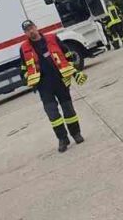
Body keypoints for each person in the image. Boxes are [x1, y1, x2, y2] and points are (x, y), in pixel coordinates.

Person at [19, 20, 88, 153]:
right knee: (52, 113)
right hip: (43, 85)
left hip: (60, 80)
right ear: (25, 33)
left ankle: (76, 134)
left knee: (68, 110)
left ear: (36, 27)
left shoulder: (52, 38)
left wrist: (72, 70)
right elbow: (23, 67)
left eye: (31, 27)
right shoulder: (24, 48)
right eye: (27, 30)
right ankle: (62, 139)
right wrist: (26, 78)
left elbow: (66, 53)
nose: (31, 31)